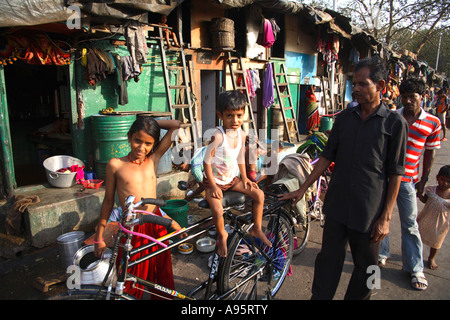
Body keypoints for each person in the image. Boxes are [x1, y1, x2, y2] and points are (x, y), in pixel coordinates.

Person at [279, 56, 408, 300]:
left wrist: (386, 217)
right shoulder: (344, 119)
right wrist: (302, 188)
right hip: (338, 205)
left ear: (380, 85)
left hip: (370, 211)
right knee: (328, 260)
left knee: (369, 268)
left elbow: (396, 173)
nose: (356, 89)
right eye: (354, 83)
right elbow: (327, 157)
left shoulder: (395, 123)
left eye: (363, 84)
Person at [93, 116, 182, 299]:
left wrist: (150, 121)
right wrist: (99, 236)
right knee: (130, 277)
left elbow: (176, 125)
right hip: (132, 228)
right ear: (129, 137)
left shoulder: (153, 159)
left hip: (155, 223)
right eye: (137, 141)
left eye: (148, 143)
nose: (141, 148)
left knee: (160, 273)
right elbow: (108, 202)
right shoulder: (115, 165)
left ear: (154, 144)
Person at [378, 77, 441, 291]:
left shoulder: (433, 122)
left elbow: (429, 153)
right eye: (404, 97)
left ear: (422, 97)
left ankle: (415, 268)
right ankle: (382, 253)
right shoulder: (392, 117)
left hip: (407, 181)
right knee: (381, 215)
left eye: (412, 97)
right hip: (385, 177)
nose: (408, 101)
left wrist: (424, 179)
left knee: (410, 223)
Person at [203, 90, 271, 257]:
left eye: (239, 115)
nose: (235, 120)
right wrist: (212, 186)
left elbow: (240, 156)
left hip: (232, 179)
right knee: (218, 211)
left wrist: (245, 177)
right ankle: (222, 235)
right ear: (220, 115)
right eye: (230, 116)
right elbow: (206, 161)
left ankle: (256, 228)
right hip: (215, 181)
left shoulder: (241, 134)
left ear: (244, 114)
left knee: (259, 195)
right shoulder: (218, 136)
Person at [417, 165, 450, 270]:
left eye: (449, 182)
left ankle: (431, 258)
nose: (445, 183)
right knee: (417, 237)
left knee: (436, 242)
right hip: (425, 218)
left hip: (441, 224)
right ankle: (415, 253)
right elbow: (425, 200)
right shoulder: (431, 190)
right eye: (443, 179)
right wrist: (419, 194)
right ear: (437, 177)